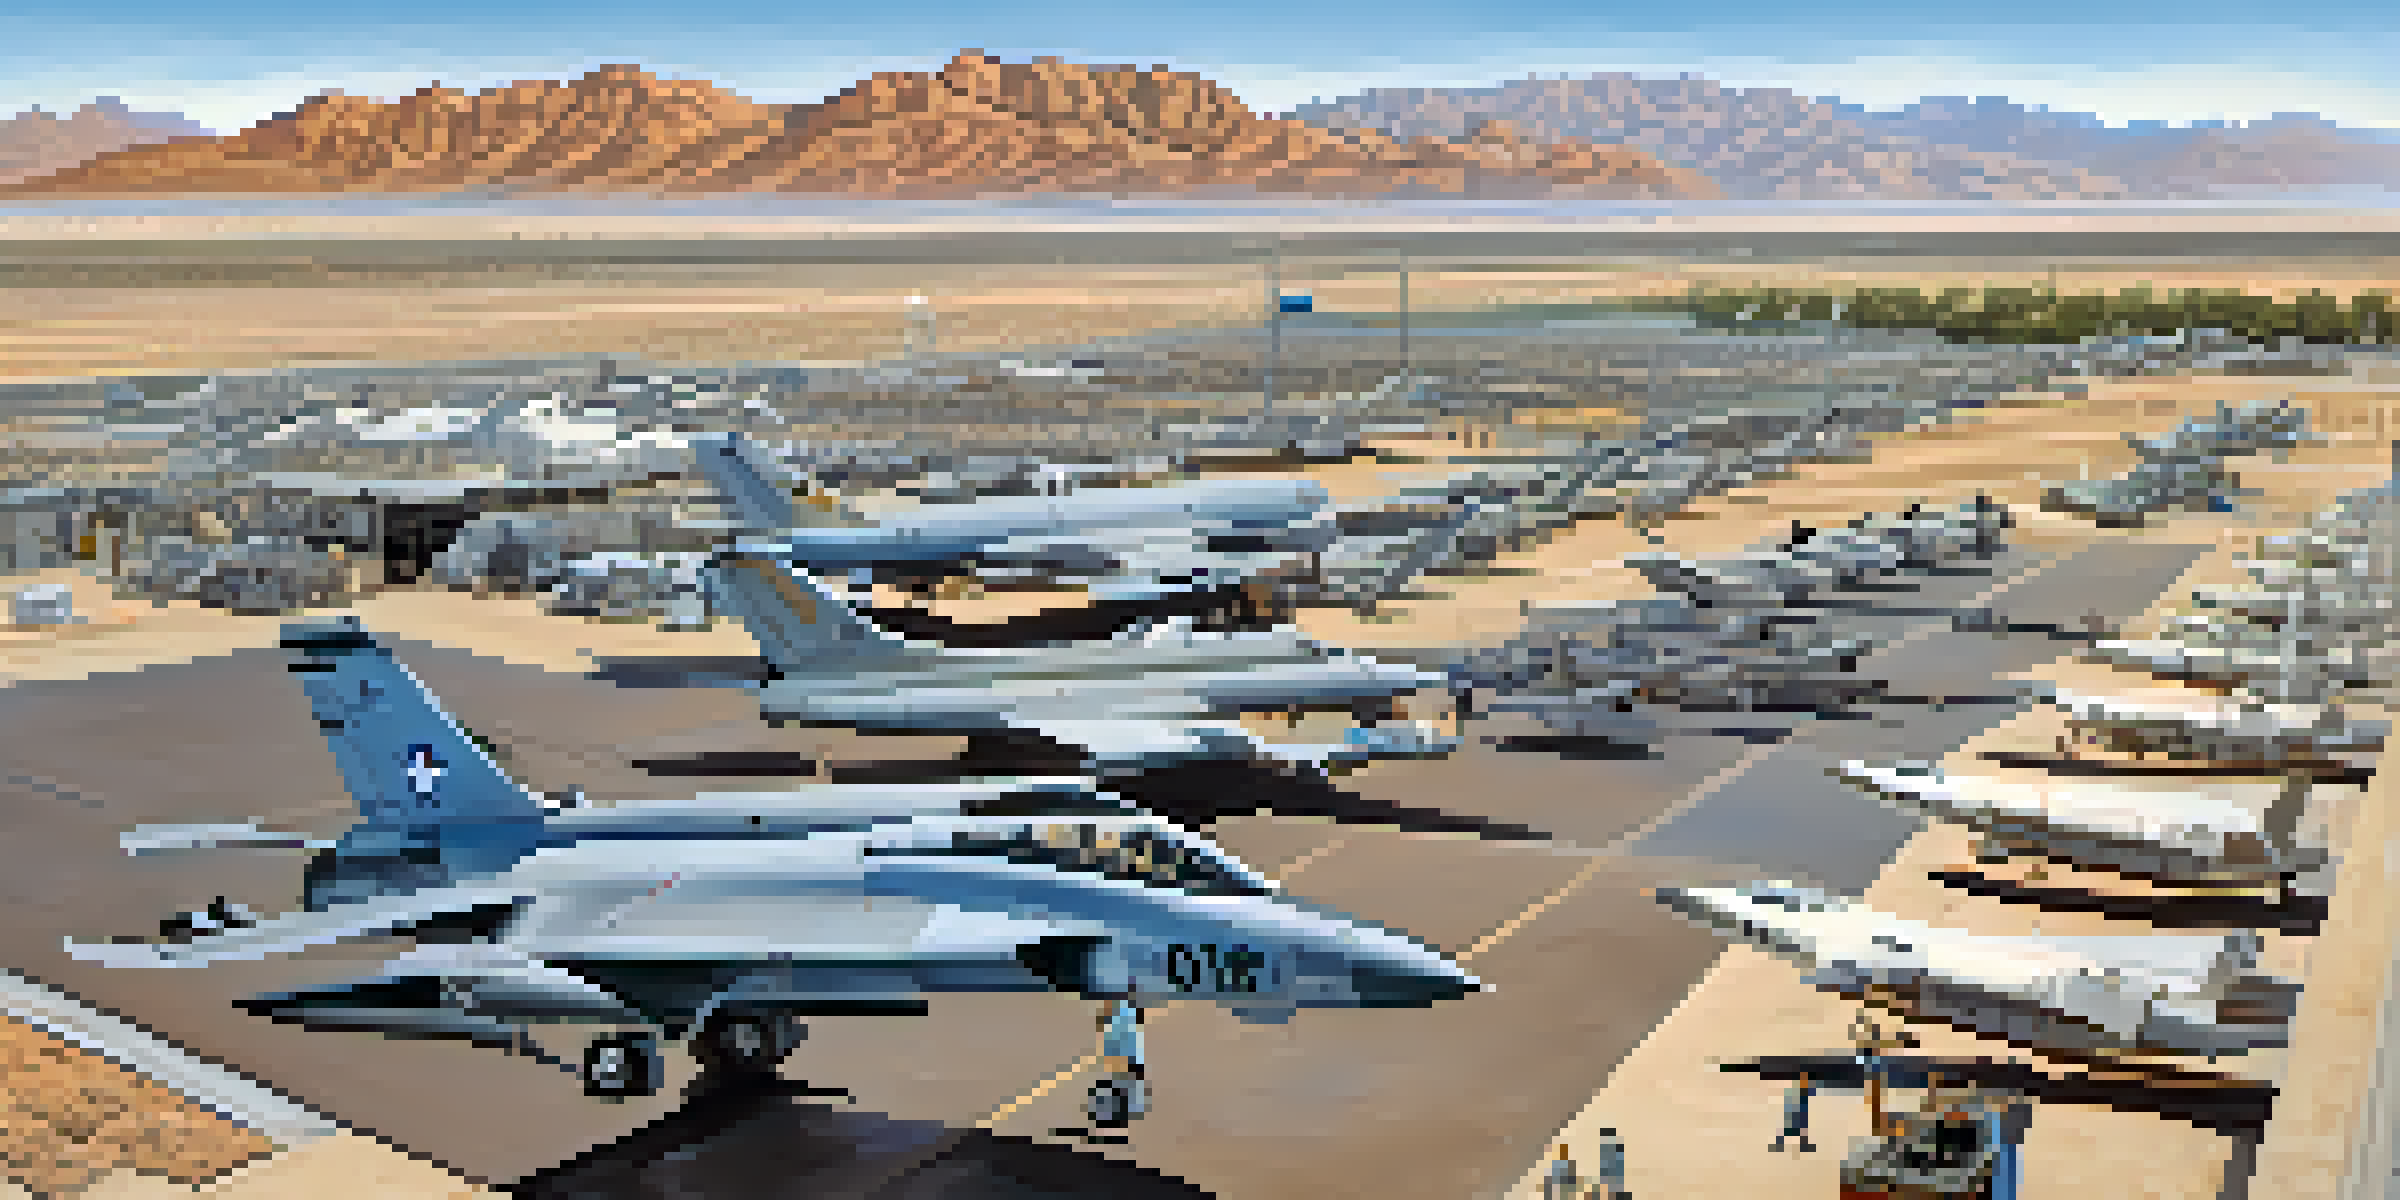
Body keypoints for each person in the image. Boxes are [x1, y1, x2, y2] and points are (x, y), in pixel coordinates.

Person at [1771, 1072, 1818, 1153]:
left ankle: (1802, 1144)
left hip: (1802, 1099)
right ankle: (1780, 1143)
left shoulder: (1804, 1084)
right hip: (1794, 1097)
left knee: (1801, 1123)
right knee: (1789, 1121)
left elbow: (1811, 1091)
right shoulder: (1791, 1086)